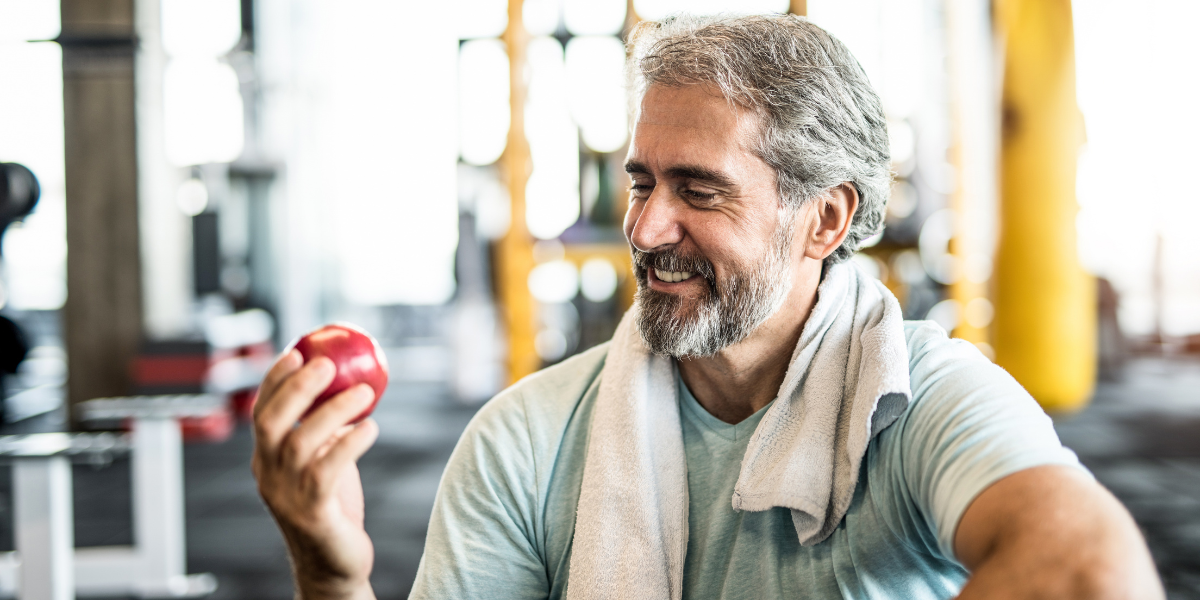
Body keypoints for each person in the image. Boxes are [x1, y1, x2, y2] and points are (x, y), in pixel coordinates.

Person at [251, 14, 1164, 600]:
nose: (647, 229)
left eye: (700, 190)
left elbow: (1093, 572)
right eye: (642, 182)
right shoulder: (524, 441)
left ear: (825, 219)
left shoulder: (925, 403)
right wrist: (333, 574)